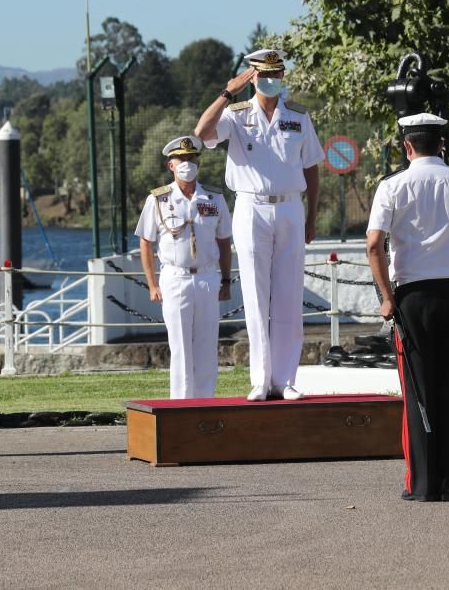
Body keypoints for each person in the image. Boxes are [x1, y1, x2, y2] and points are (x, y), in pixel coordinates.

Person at [366, 113, 449, 502]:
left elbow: (373, 245)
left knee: (418, 392)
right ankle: (445, 483)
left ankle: (419, 485)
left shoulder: (392, 186)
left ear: (406, 146)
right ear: (442, 144)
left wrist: (386, 297)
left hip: (413, 298)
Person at [195, 49, 324, 401]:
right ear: (252, 77)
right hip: (251, 207)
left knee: (289, 295)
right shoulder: (235, 116)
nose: (272, 80)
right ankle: (261, 379)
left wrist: (312, 215)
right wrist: (227, 92)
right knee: (254, 295)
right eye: (265, 74)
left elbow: (311, 167)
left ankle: (286, 380)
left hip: (289, 209)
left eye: (277, 74)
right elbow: (201, 132)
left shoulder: (297, 116)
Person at [135, 136, 233, 399]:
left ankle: (205, 400)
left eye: (192, 159)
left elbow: (224, 242)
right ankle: (181, 403)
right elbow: (146, 242)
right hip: (175, 278)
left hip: (206, 277)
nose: (187, 164)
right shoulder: (158, 200)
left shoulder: (213, 198)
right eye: (182, 159)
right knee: (179, 345)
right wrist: (152, 284)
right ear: (171, 165)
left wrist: (226, 281)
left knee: (206, 343)